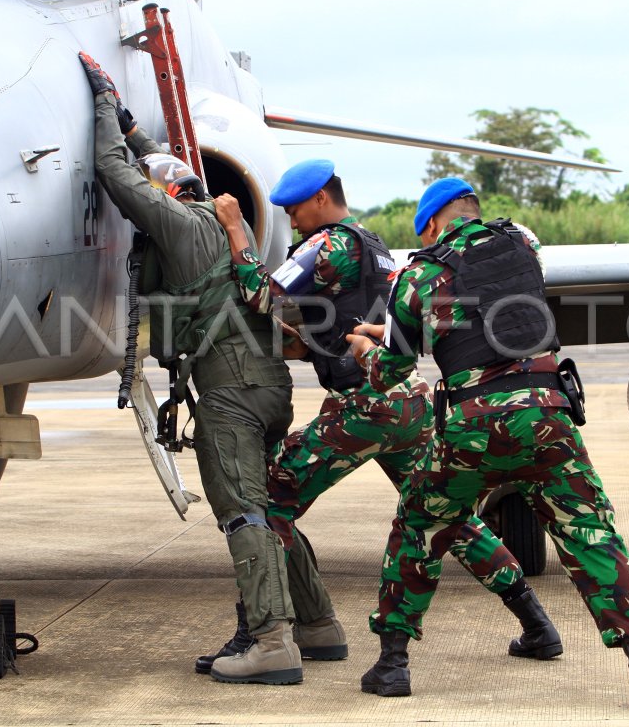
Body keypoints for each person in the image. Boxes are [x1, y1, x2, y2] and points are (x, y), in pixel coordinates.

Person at [197, 159, 562, 675]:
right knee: (451, 520)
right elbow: (352, 319)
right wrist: (315, 348)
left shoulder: (328, 245)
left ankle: (259, 636)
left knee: (266, 505)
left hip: (363, 406)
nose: (290, 218)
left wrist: (235, 228)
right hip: (408, 402)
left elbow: (262, 295)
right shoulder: (373, 244)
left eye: (295, 208)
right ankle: (537, 624)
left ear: (321, 198)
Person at [346, 178, 629, 709]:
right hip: (547, 416)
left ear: (432, 225)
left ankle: (392, 666)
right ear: (473, 211)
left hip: (471, 428)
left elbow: (392, 367)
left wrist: (367, 346)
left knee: (419, 525)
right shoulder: (523, 247)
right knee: (591, 532)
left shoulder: (417, 274)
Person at [79, 52, 301, 685]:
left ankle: (272, 641)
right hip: (270, 388)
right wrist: (129, 121)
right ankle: (316, 626)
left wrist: (99, 104)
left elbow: (118, 177)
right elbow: (156, 166)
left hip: (229, 394)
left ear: (168, 195)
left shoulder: (176, 224)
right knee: (271, 508)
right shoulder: (215, 219)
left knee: (243, 514)